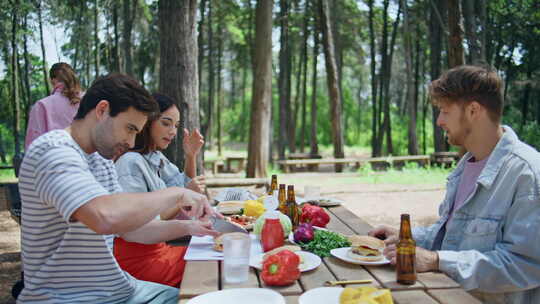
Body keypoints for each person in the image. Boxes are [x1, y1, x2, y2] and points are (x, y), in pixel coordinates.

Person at [17, 73, 219, 303]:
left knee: (205, 293)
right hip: (69, 297)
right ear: (102, 110)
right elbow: (104, 217)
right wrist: (177, 193)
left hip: (117, 289)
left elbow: (132, 230)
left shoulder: (99, 160)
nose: (132, 143)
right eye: (130, 129)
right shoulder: (53, 151)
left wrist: (192, 227)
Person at [369, 65, 540, 303]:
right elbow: (453, 236)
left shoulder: (527, 173)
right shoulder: (466, 166)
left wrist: (436, 260)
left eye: (445, 111)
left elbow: (527, 265)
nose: (439, 121)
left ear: (473, 110)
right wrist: (409, 237)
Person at [114, 93, 211, 287]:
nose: (172, 131)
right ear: (147, 122)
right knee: (210, 264)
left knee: (213, 256)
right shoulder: (130, 163)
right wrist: (181, 199)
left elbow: (184, 184)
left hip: (160, 248)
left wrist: (190, 156)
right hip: (138, 259)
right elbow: (139, 225)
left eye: (175, 125)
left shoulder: (155, 157)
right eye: (166, 123)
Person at [25, 62, 82, 149]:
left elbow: (33, 148)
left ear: (53, 80)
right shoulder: (90, 101)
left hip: (55, 160)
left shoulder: (41, 106)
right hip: (89, 161)